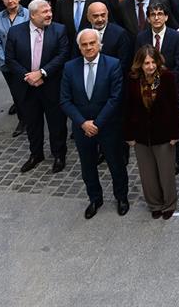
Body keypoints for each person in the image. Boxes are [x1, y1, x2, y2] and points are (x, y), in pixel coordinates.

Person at [60, 28, 129, 218]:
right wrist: (83, 123)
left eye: (92, 43)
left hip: (108, 127)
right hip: (83, 129)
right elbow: (65, 100)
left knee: (116, 165)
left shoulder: (113, 65)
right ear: (79, 47)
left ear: (99, 45)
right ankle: (95, 198)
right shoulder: (69, 67)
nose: (89, 47)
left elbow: (115, 98)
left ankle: (121, 197)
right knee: (87, 167)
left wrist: (97, 123)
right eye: (84, 44)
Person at [5, 0, 69, 173]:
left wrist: (42, 73)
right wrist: (28, 77)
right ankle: (36, 154)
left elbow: (62, 55)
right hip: (27, 87)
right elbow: (10, 59)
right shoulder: (15, 32)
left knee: (56, 123)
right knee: (32, 123)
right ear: (33, 15)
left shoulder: (59, 30)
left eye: (50, 11)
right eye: (45, 12)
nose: (49, 14)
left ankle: (59, 154)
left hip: (51, 86)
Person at [123, 45, 179, 218]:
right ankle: (155, 204)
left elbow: (174, 106)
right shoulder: (134, 80)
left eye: (152, 62)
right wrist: (129, 135)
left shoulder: (165, 78)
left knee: (166, 173)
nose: (150, 66)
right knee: (147, 174)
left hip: (163, 134)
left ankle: (169, 204)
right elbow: (128, 108)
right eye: (146, 63)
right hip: (141, 135)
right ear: (139, 64)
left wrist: (175, 134)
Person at [0, 0, 29, 135]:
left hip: (25, 63)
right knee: (16, 93)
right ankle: (23, 120)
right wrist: (6, 60)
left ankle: (33, 118)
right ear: (2, 0)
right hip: (8, 65)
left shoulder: (28, 14)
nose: (10, 0)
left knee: (28, 93)